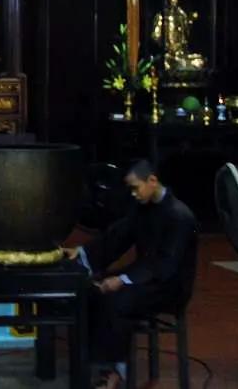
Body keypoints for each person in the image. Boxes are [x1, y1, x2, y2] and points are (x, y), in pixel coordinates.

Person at [63, 160, 198, 388]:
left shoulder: (179, 216)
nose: (133, 195)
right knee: (90, 291)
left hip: (169, 285)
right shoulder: (143, 208)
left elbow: (165, 265)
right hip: (146, 276)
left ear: (152, 181)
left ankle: (115, 372)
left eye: (136, 188)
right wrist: (83, 253)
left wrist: (123, 280)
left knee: (116, 301)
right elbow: (118, 236)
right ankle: (94, 366)